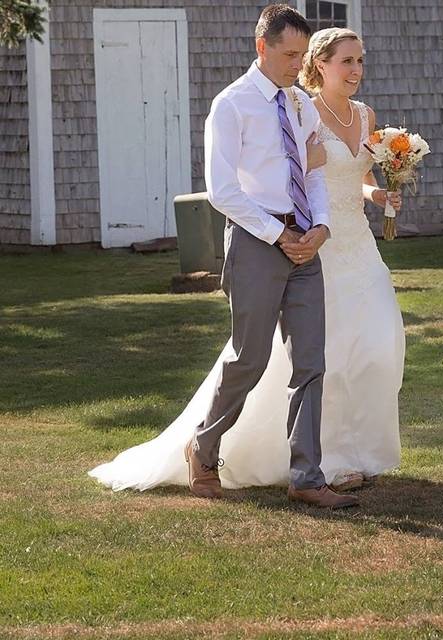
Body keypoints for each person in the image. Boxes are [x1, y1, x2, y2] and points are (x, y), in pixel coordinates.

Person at [88, 25, 404, 500]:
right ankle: (203, 444)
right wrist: (281, 234)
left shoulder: (299, 105)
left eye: (302, 55)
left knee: (311, 362)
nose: (298, 65)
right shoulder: (232, 104)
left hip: (308, 243)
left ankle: (307, 477)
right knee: (250, 357)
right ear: (263, 47)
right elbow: (223, 192)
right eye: (291, 54)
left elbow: (313, 173)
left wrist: (318, 226)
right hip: (259, 240)